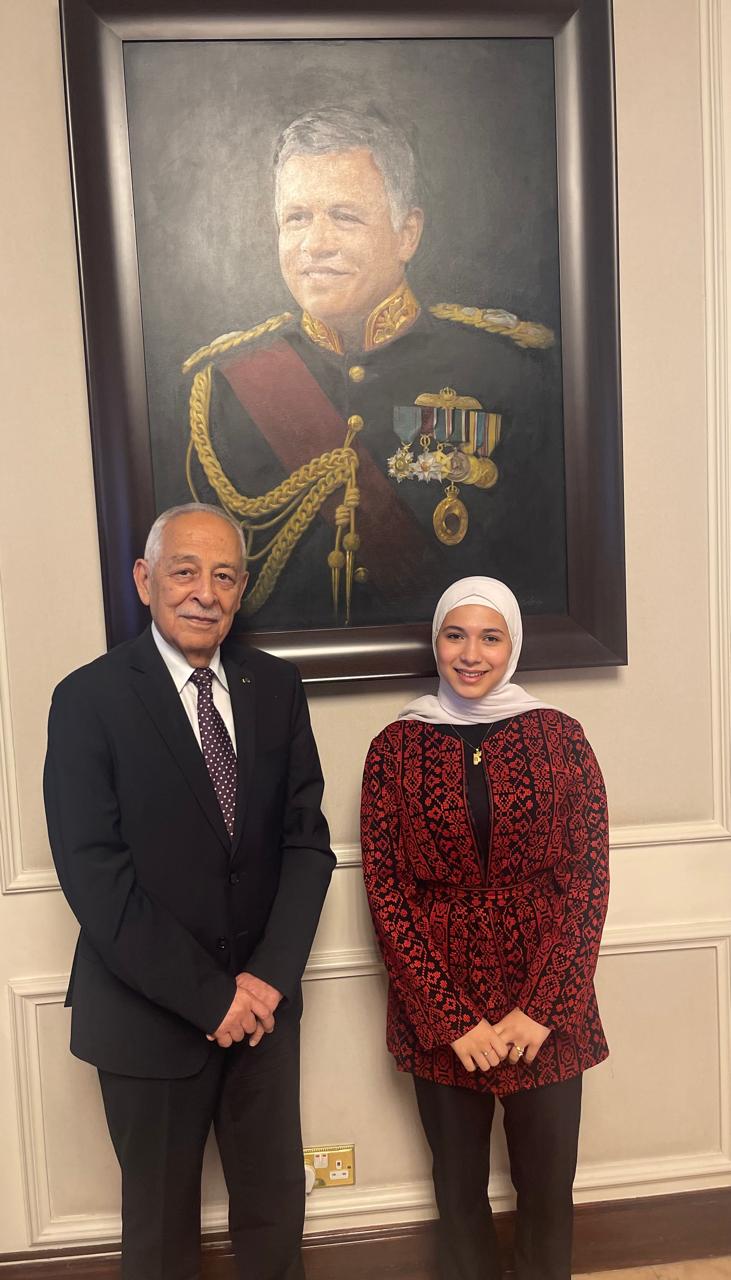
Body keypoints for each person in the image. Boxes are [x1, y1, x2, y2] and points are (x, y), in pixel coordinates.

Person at [43, 502, 335, 1280]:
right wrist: (211, 998)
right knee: (161, 1236)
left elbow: (306, 842)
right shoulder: (87, 700)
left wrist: (266, 980)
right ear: (144, 580)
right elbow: (95, 874)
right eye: (184, 571)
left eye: (225, 576)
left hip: (262, 1014)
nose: (205, 592)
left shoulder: (276, 687)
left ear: (241, 590)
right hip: (147, 1016)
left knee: (274, 1215)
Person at [183, 107, 564, 631]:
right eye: (297, 218)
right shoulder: (224, 387)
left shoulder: (505, 373)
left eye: (344, 216)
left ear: (407, 234)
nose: (315, 244)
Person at [360, 577, 609, 1280]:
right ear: (436, 641)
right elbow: (386, 890)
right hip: (441, 997)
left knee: (547, 1190)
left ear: (512, 644)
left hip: (545, 998)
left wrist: (541, 1008)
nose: (470, 654)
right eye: (455, 635)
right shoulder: (394, 747)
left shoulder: (561, 737)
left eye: (489, 637)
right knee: (458, 1192)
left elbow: (588, 880)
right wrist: (450, 1020)